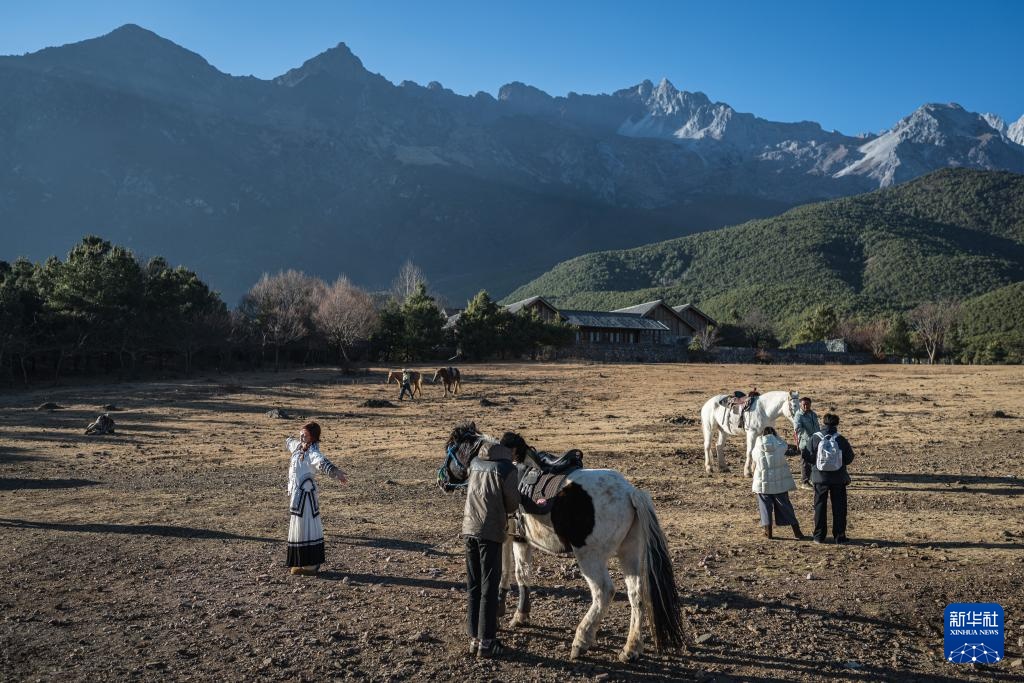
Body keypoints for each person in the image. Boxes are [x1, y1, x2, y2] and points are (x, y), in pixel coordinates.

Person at [462, 436, 519, 658]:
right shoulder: (507, 469)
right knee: (489, 585)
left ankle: (474, 638)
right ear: (510, 452)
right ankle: (487, 642)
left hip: (469, 528)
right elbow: (513, 503)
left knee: (474, 584)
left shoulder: (475, 463)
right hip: (491, 532)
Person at [285, 421, 347, 575]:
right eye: (301, 433)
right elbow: (289, 442)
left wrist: (336, 472)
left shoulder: (313, 452)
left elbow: (322, 463)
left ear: (312, 437)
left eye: (305, 435)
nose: (301, 436)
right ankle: (300, 562)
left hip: (306, 497)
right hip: (297, 495)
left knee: (308, 526)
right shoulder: (297, 447)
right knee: (299, 525)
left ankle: (311, 564)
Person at [803, 413, 855, 544]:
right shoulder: (840, 439)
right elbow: (849, 458)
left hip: (819, 478)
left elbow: (807, 455)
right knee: (839, 508)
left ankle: (819, 536)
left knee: (820, 506)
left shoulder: (815, 438)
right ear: (837, 424)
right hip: (838, 478)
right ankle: (840, 536)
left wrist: (816, 465)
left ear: (823, 423)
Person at [751, 427, 803, 539]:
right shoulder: (781, 446)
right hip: (780, 485)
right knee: (786, 507)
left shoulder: (756, 449)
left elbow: (754, 463)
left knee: (765, 508)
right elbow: (795, 451)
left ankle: (768, 533)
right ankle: (797, 532)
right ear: (774, 434)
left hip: (763, 484)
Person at [792, 396, 820, 488]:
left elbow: (817, 427)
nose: (805, 406)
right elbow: (798, 428)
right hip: (805, 443)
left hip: (815, 441)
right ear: (800, 405)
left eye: (807, 404)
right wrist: (809, 438)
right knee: (805, 462)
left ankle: (812, 479)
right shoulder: (798, 415)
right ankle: (804, 482)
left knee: (814, 461)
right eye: (803, 405)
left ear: (810, 404)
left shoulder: (813, 414)